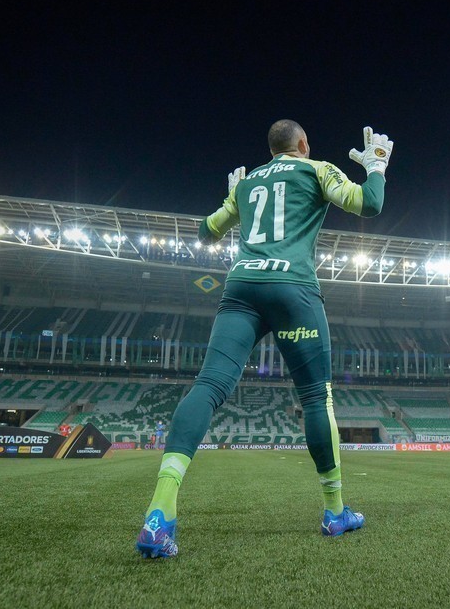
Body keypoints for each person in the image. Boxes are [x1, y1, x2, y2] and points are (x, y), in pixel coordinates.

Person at [137, 121, 391, 558]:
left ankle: (160, 514)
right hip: (293, 289)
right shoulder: (316, 170)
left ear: (271, 150)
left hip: (241, 289)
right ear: (303, 145)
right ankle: (334, 513)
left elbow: (206, 232)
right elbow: (369, 204)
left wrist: (232, 199)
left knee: (208, 386)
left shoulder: (248, 181)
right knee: (316, 399)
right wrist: (376, 166)